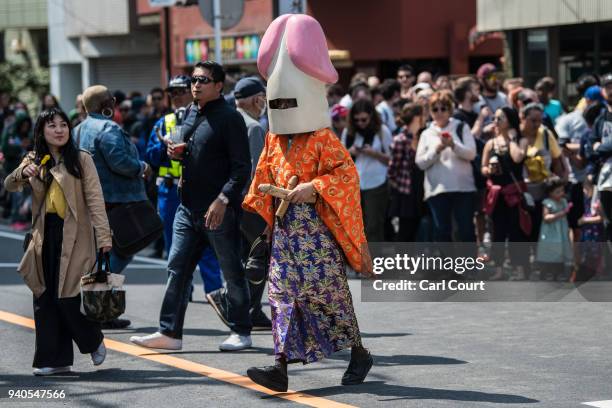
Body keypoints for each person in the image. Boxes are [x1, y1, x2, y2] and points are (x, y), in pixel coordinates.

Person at [243, 14, 373, 392]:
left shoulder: (323, 138)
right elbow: (262, 180)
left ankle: (359, 352)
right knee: (282, 297)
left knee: (328, 295)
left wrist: (314, 186)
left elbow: (345, 176)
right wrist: (267, 217)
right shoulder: (272, 140)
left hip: (316, 232)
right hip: (285, 231)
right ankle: (280, 367)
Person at [130, 61, 253, 352]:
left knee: (231, 269)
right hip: (187, 208)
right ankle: (170, 333)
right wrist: (177, 152)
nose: (196, 85)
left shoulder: (230, 118)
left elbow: (241, 169)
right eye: (194, 80)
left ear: (219, 86)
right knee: (177, 268)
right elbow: (188, 155)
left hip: (218, 210)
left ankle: (242, 331)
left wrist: (223, 200)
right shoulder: (188, 114)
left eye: (203, 80)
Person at [4, 108, 111, 376]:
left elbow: (96, 199)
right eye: (52, 126)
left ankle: (92, 340)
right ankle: (53, 360)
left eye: (64, 125)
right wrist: (22, 173)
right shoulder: (35, 159)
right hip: (44, 234)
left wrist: (104, 236)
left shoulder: (81, 159)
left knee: (68, 297)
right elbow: (9, 185)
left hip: (77, 235)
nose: (60, 130)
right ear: (42, 131)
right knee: (44, 296)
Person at [75, 85, 150, 329]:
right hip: (118, 200)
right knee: (124, 249)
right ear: (104, 104)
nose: (115, 102)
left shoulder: (76, 131)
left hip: (90, 201)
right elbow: (120, 162)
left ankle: (101, 309)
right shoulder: (107, 128)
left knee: (103, 253)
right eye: (111, 99)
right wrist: (141, 167)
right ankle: (98, 302)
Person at [144, 75, 223, 298]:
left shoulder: (206, 118)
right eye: (173, 93)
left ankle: (214, 291)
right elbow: (150, 157)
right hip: (170, 192)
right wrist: (164, 145)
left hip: (201, 190)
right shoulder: (164, 123)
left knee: (207, 242)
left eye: (181, 91)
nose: (177, 97)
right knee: (175, 245)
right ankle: (180, 290)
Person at [231, 76, 272, 330]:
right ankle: (251, 309)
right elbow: (258, 173)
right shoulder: (254, 128)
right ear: (257, 99)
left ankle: (241, 306)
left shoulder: (227, 120)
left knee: (241, 257)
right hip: (250, 203)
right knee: (259, 256)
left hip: (229, 201)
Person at [416, 90, 477, 242]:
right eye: (435, 109)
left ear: (450, 110)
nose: (439, 113)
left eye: (443, 108)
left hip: (463, 188)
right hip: (437, 190)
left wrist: (453, 145)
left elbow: (471, 154)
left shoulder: (461, 127)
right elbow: (420, 163)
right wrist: (436, 150)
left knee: (466, 230)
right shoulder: (426, 134)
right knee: (442, 232)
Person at [481, 107, 528, 280]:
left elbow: (517, 158)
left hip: (514, 194)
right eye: (494, 118)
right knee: (497, 232)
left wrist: (513, 138)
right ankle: (499, 268)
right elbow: (483, 168)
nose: (496, 121)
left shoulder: (520, 141)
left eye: (500, 118)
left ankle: (519, 269)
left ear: (510, 120)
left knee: (517, 231)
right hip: (497, 195)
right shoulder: (490, 143)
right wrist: (489, 170)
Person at [342, 99, 392, 242]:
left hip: (376, 183)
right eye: (356, 120)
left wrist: (374, 153)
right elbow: (341, 159)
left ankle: (376, 260)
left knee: (374, 226)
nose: (360, 123)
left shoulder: (382, 131)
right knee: (357, 226)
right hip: (354, 184)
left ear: (371, 116)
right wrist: (350, 152)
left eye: (364, 119)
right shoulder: (348, 132)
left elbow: (390, 159)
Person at [387, 103, 424, 241]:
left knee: (416, 229)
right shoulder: (400, 140)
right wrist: (399, 188)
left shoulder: (423, 137)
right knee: (405, 230)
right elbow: (392, 170)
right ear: (416, 118)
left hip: (421, 189)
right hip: (406, 191)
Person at [588, 72, 612, 242]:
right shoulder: (600, 117)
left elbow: (601, 147)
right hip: (605, 177)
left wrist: (601, 147)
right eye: (608, 87)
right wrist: (600, 148)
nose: (611, 91)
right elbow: (590, 148)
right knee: (608, 222)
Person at [536, 177, 573, 280]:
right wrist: (561, 213)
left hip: (561, 233)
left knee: (561, 252)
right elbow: (546, 217)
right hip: (551, 234)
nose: (561, 193)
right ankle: (547, 273)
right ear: (550, 193)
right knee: (551, 252)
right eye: (557, 192)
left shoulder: (564, 201)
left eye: (562, 190)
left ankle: (559, 273)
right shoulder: (547, 202)